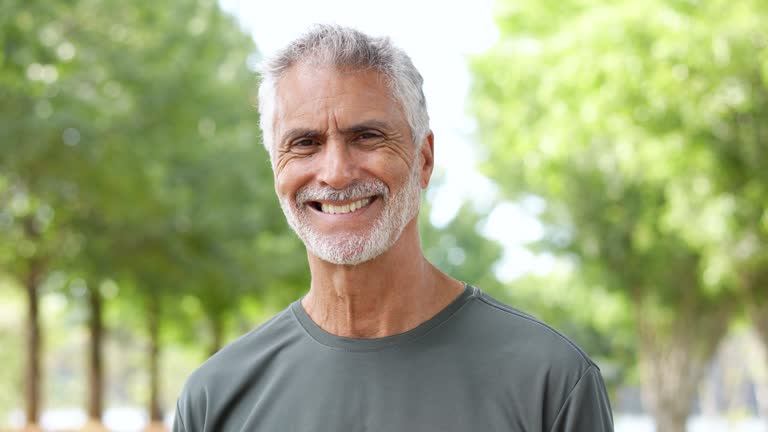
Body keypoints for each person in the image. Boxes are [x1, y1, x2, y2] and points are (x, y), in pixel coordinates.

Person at [173, 24, 614, 432]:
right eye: (305, 143)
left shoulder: (550, 383)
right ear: (276, 169)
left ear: (423, 159)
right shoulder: (215, 399)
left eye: (367, 137)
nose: (336, 173)